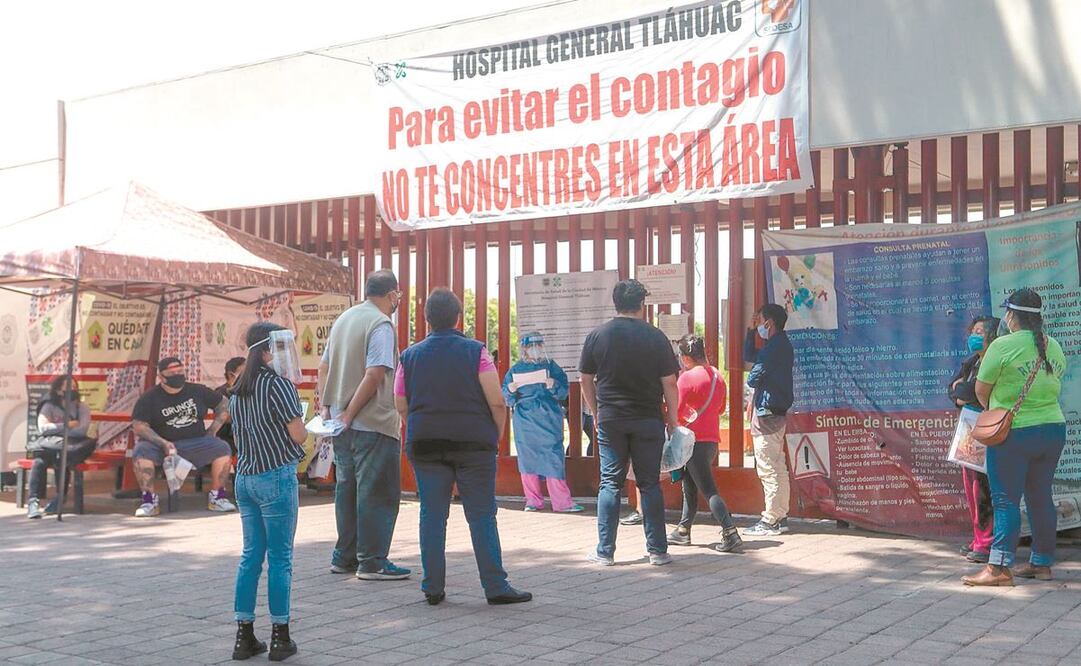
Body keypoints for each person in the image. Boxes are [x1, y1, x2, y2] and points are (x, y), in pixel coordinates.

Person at [395, 288, 531, 606]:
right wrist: (493, 436)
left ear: (427, 319)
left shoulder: (409, 356)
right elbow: (496, 401)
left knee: (431, 514)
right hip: (473, 444)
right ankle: (495, 586)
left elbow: (401, 403)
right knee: (482, 514)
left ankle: (432, 587)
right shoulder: (476, 352)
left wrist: (417, 424)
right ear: (458, 317)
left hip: (425, 444)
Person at [963, 289, 1068, 586]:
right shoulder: (1054, 346)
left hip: (1014, 433)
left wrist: (994, 412)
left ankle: (998, 569)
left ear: (1011, 315)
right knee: (1040, 496)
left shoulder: (1002, 346)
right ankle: (1042, 563)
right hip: (1053, 429)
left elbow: (981, 390)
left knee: (1005, 499)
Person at [579, 279, 680, 566]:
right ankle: (658, 551)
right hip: (648, 419)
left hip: (611, 419)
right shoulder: (656, 337)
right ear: (642, 304)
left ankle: (605, 551)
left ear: (615, 302)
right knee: (649, 484)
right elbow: (670, 383)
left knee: (610, 482)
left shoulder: (598, 335)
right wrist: (672, 420)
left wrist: (596, 411)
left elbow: (585, 378)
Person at [317, 269, 410, 580]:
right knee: (377, 492)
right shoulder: (381, 325)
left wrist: (329, 407)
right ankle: (372, 561)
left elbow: (324, 366)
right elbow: (374, 374)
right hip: (371, 421)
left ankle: (344, 557)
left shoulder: (344, 319)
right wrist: (350, 412)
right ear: (393, 294)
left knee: (347, 490)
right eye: (398, 295)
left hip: (341, 424)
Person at [229, 323, 307, 661]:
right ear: (266, 351)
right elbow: (299, 435)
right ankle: (280, 636)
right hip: (275, 476)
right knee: (280, 559)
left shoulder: (236, 388)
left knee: (250, 558)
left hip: (245, 478)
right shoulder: (279, 386)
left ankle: (243, 635)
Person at [131, 357, 236, 517]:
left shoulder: (197, 391)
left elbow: (224, 404)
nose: (177, 375)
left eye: (180, 371)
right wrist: (163, 442)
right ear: (161, 377)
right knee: (141, 450)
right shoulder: (149, 398)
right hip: (163, 446)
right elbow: (139, 425)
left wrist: (213, 429)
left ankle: (217, 498)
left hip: (196, 443)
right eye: (172, 373)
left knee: (221, 448)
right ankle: (149, 501)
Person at [668, 335, 742, 553]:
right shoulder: (718, 376)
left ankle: (730, 532)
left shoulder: (686, 378)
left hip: (692, 441)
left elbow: (677, 410)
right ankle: (683, 530)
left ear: (686, 357)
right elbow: (720, 409)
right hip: (710, 441)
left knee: (709, 489)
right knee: (690, 484)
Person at [503, 332, 582, 513]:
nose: (535, 349)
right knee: (527, 459)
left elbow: (563, 392)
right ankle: (533, 501)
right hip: (525, 421)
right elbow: (507, 398)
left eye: (539, 345)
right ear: (524, 349)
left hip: (548, 417)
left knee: (553, 457)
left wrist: (552, 384)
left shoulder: (551, 366)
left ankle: (562, 502)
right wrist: (510, 389)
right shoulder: (515, 370)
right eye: (532, 346)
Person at [742, 303, 795, 537]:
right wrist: (751, 331)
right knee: (778, 465)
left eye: (760, 320)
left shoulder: (773, 348)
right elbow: (749, 355)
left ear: (769, 323)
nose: (758, 323)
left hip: (766, 414)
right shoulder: (780, 344)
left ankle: (771, 520)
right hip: (777, 412)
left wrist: (752, 382)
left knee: (767, 468)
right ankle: (780, 515)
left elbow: (753, 377)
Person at [948, 316, 999, 564]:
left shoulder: (993, 361)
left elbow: (972, 393)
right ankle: (978, 537)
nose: (975, 336)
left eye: (981, 331)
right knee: (970, 485)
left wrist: (962, 392)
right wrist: (960, 392)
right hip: (967, 428)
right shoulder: (971, 362)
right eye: (973, 331)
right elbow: (953, 389)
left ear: (992, 336)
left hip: (985, 427)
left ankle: (986, 542)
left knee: (982, 486)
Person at [25, 376, 98, 519]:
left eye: (75, 387)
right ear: (59, 390)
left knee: (63, 460)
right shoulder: (49, 405)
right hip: (51, 446)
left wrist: (55, 429)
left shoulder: (81, 407)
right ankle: (33, 501)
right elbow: (43, 428)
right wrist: (67, 425)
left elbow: (82, 430)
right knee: (38, 462)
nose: (73, 390)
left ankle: (60, 497)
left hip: (71, 447)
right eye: (69, 387)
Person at [216, 356, 247, 454]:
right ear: (231, 375)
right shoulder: (219, 393)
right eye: (244, 371)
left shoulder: (249, 390)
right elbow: (226, 417)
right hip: (228, 438)